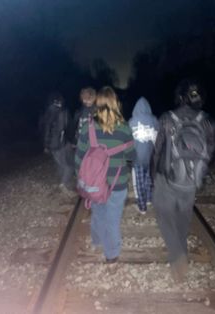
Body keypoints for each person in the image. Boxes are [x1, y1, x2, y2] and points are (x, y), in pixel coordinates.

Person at [151, 79, 215, 282]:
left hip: (167, 178)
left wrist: (153, 175)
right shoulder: (207, 120)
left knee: (164, 216)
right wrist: (197, 172)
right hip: (190, 180)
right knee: (183, 217)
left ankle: (178, 255)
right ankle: (182, 252)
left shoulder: (167, 118)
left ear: (179, 97)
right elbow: (210, 150)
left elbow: (157, 150)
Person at [74, 86, 135, 263]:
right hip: (118, 183)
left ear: (97, 104)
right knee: (112, 218)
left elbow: (79, 157)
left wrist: (81, 177)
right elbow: (132, 156)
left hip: (94, 183)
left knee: (98, 213)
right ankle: (111, 255)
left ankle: (97, 241)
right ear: (116, 103)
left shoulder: (88, 127)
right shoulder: (124, 128)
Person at [129, 97, 159, 214]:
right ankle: (148, 199)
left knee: (139, 182)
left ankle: (142, 207)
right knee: (149, 179)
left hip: (137, 158)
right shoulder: (154, 120)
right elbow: (158, 139)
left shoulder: (131, 122)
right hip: (150, 157)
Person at [43, 92, 75, 196]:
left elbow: (44, 130)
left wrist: (46, 145)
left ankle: (64, 182)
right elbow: (68, 128)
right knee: (69, 166)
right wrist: (72, 141)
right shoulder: (63, 112)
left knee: (60, 164)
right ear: (60, 101)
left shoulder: (47, 112)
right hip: (61, 143)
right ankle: (64, 184)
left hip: (52, 145)